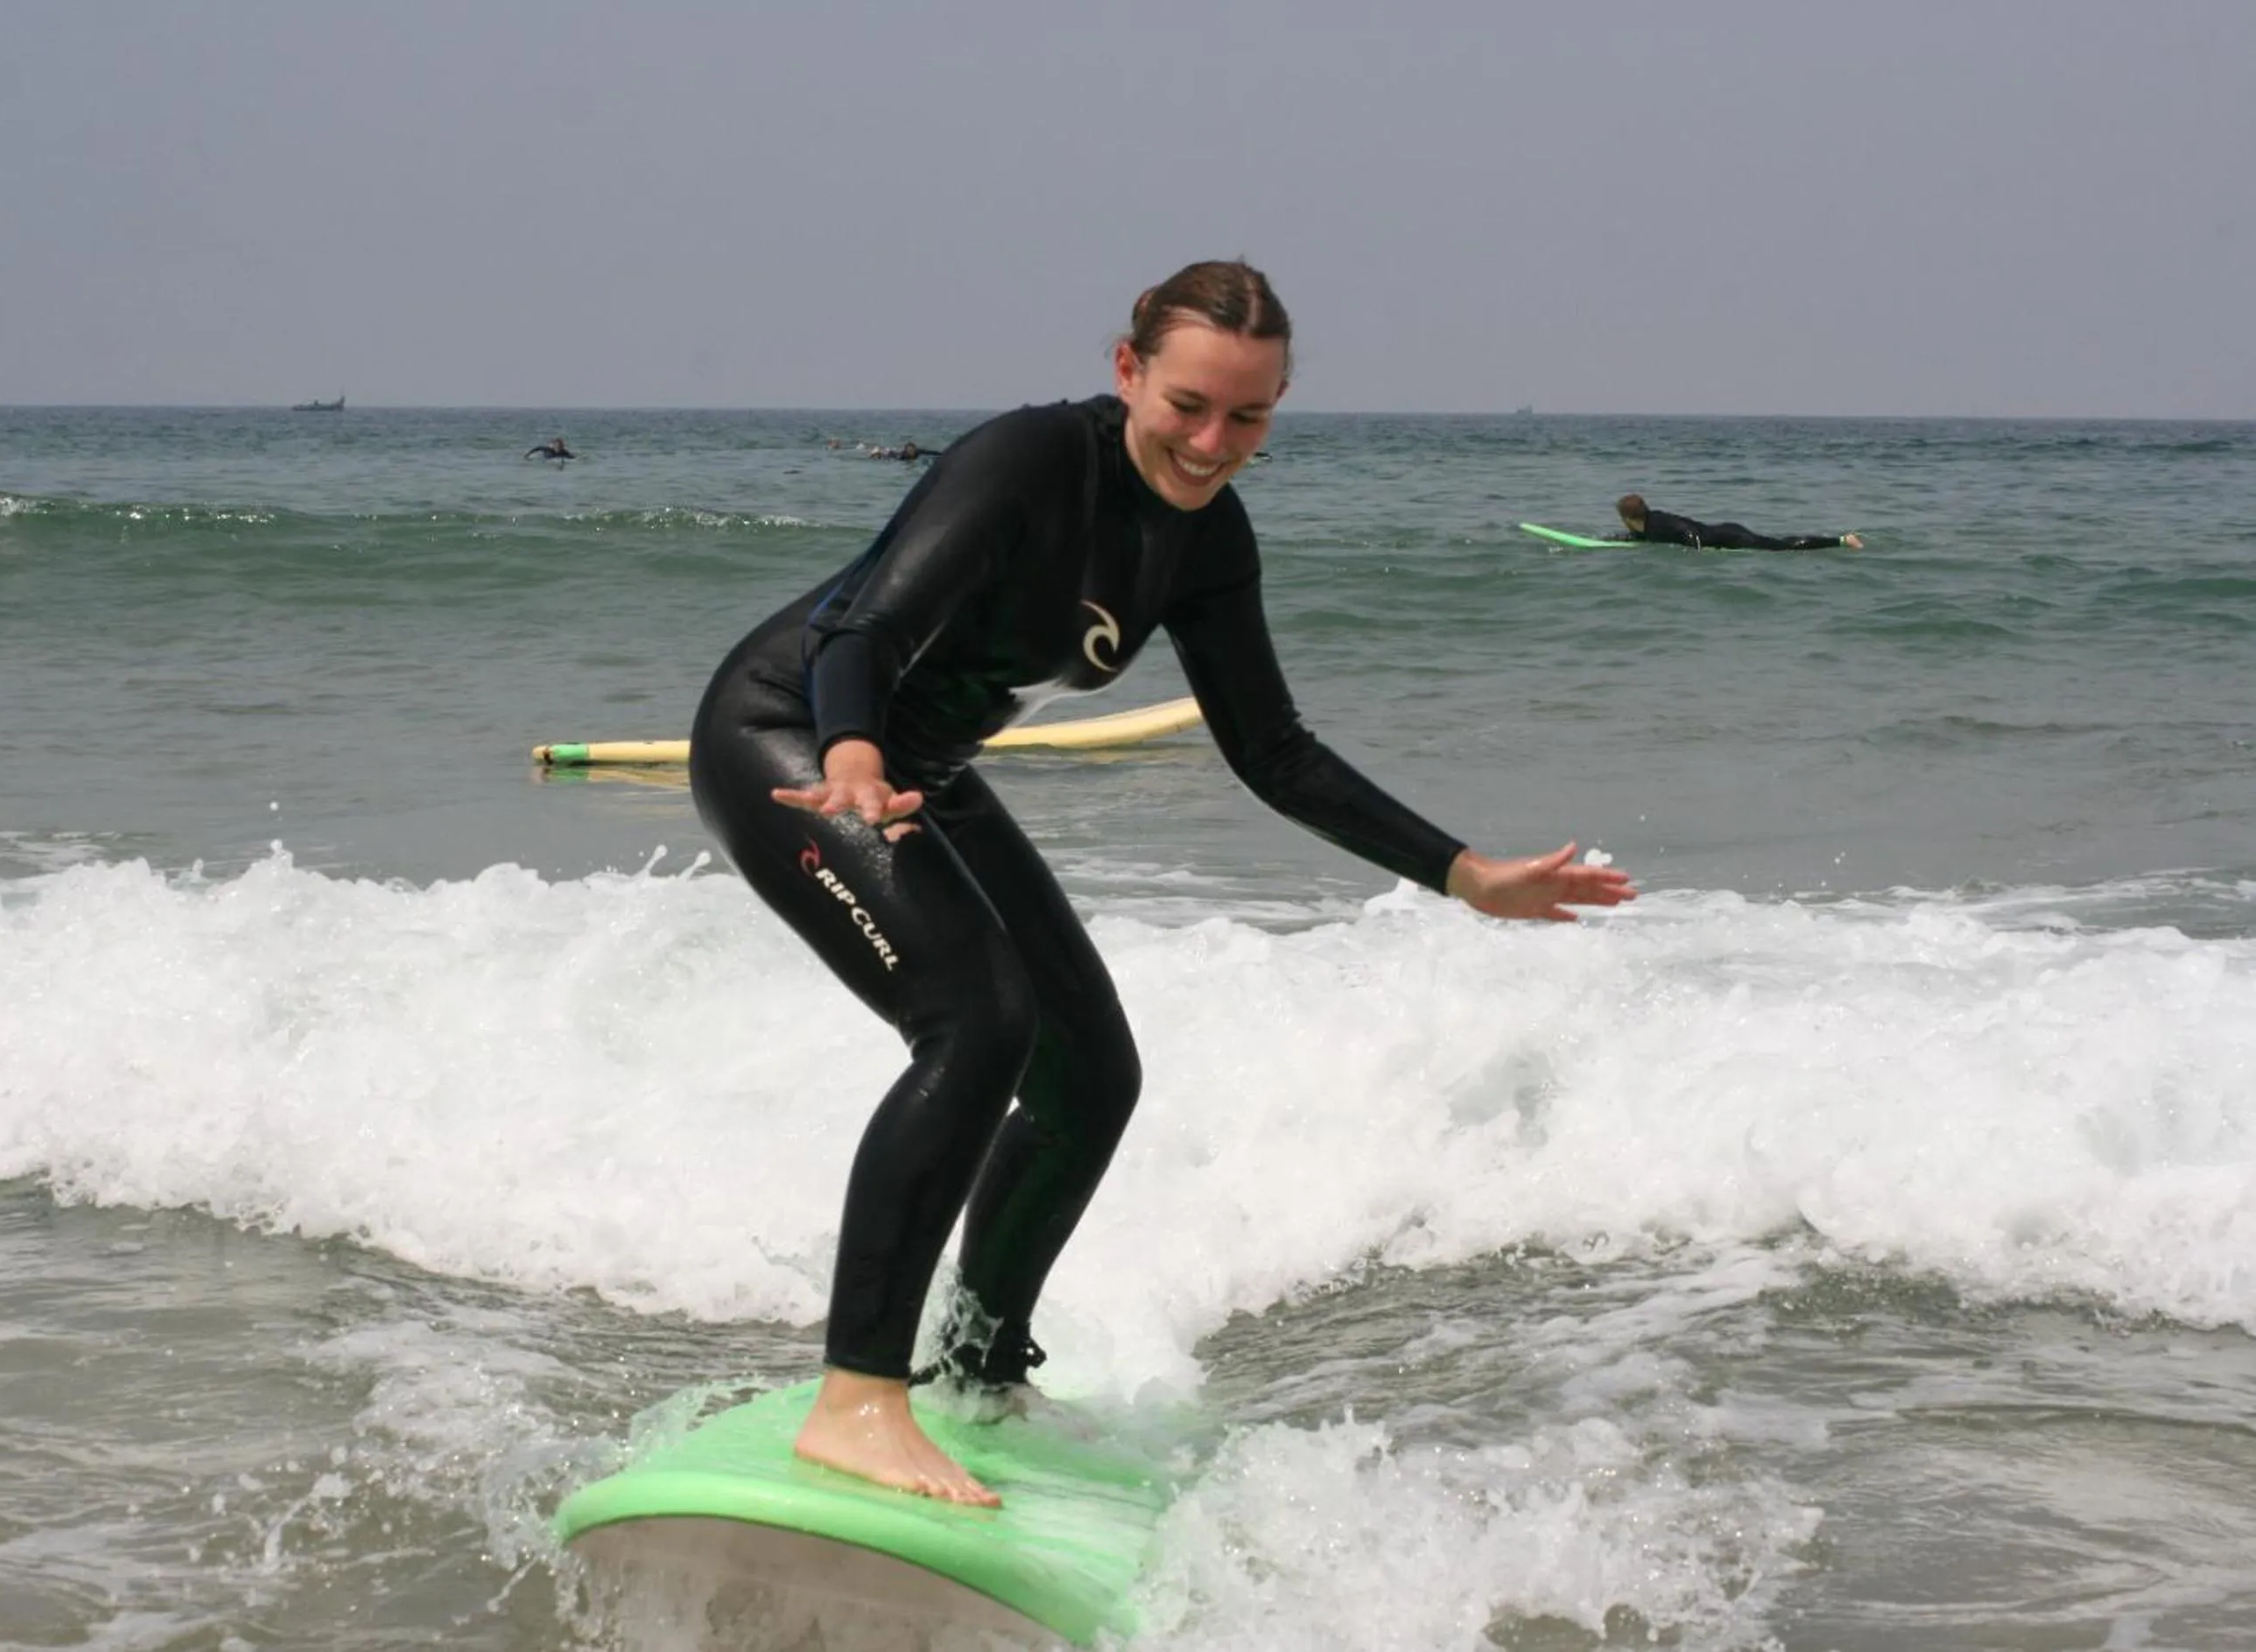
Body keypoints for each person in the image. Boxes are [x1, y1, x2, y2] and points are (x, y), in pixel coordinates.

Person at [686, 258, 1634, 1507]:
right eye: (1189, 403)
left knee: (1090, 1076)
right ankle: (857, 1399)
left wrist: (1463, 872)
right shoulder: (1027, 462)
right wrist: (854, 751)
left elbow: (1273, 750)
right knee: (976, 1023)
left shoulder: (1206, 540)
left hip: (920, 770)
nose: (1212, 441)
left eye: (1250, 416)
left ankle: (976, 1371)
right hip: (795, 742)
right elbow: (857, 627)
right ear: (1127, 369)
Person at [1616, 493, 1862, 550]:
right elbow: (1638, 538)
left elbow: (1687, 531)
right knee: (1778, 545)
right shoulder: (1647, 527)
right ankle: (1840, 540)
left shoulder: (1658, 523)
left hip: (1730, 537)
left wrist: (1697, 552)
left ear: (1628, 518)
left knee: (1782, 548)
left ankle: (1841, 540)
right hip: (1725, 531)